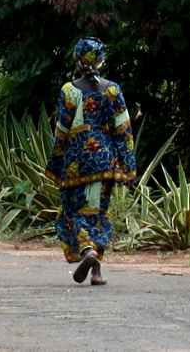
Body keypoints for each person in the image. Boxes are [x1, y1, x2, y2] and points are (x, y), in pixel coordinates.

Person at [44, 37, 137, 285]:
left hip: (76, 162)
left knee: (77, 211)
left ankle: (87, 251)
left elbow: (62, 131)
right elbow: (124, 131)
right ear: (101, 60)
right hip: (105, 161)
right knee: (98, 212)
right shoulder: (112, 90)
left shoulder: (69, 91)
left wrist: (54, 164)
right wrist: (128, 168)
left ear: (76, 60)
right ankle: (96, 272)